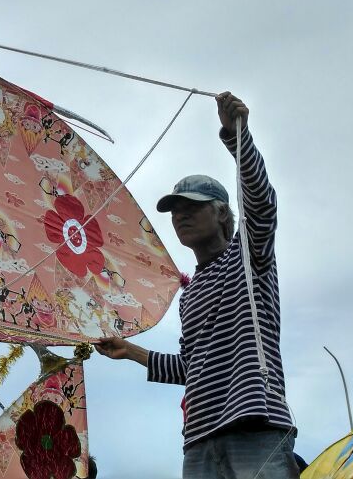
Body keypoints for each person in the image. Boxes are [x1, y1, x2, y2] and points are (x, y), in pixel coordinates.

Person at [95, 92, 299, 478]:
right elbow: (191, 368)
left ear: (223, 214)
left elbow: (262, 206)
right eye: (176, 212)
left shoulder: (249, 257)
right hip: (199, 438)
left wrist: (237, 136)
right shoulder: (189, 295)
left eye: (193, 207)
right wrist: (132, 352)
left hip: (254, 426)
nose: (181, 216)